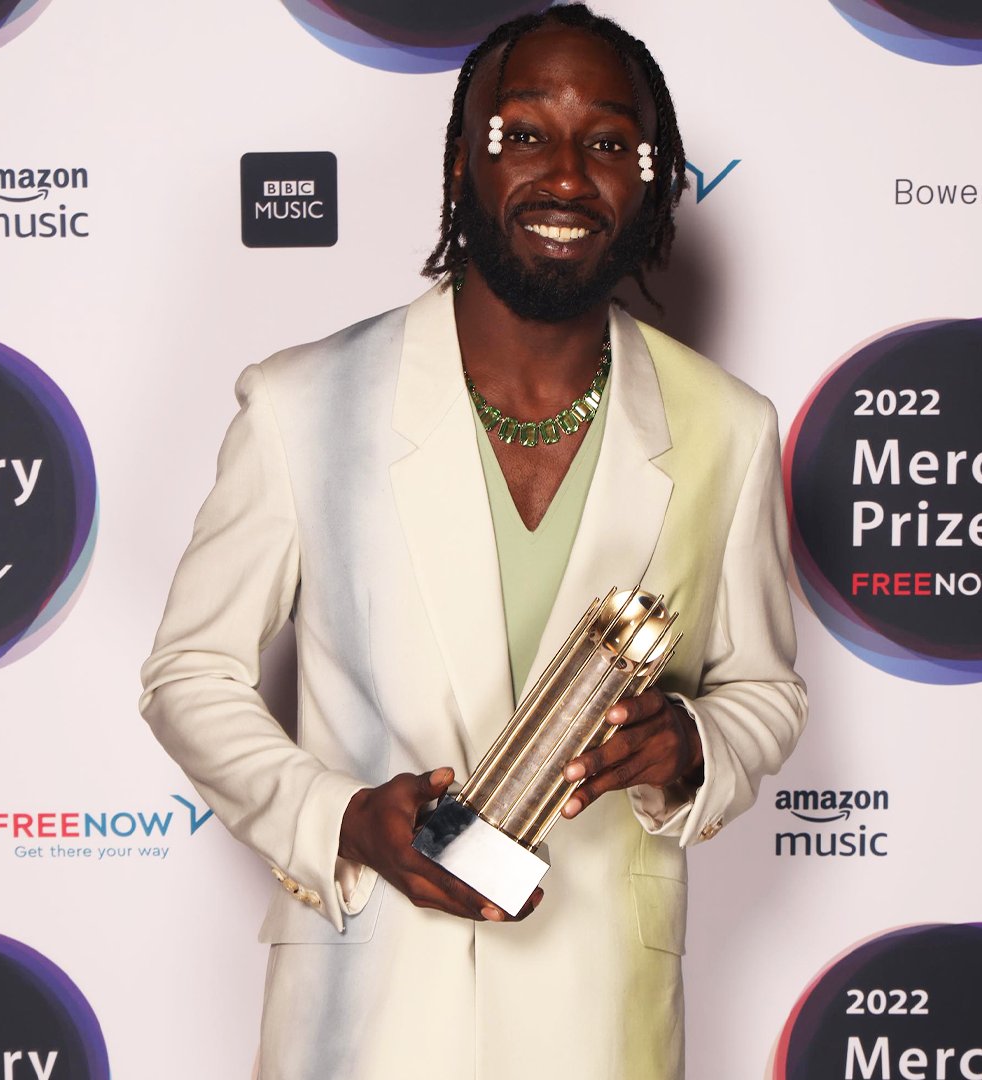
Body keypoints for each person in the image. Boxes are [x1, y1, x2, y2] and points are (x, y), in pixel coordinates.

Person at [140, 5, 806, 1078]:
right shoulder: (303, 404)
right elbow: (190, 673)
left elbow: (766, 691)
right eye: (525, 131)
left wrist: (688, 746)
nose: (566, 173)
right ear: (464, 162)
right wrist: (345, 820)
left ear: (648, 178)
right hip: (363, 1015)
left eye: (607, 142)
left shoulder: (726, 425)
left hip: (601, 1019)